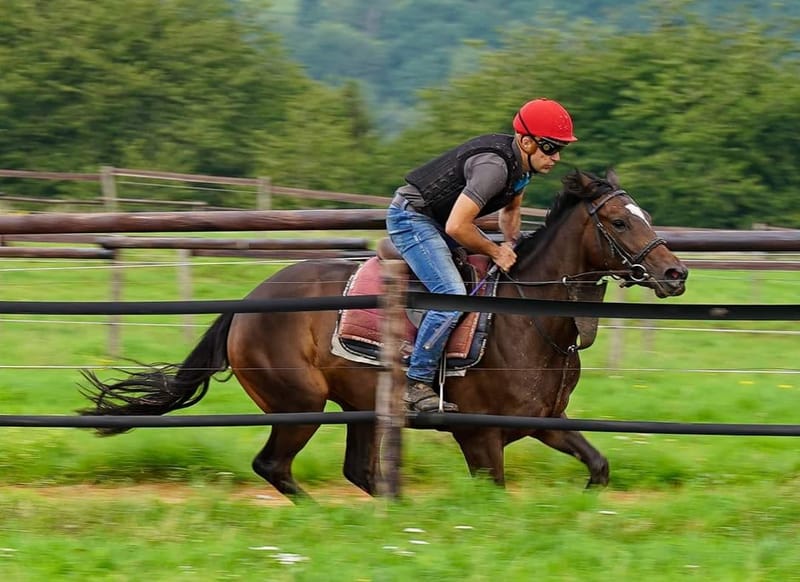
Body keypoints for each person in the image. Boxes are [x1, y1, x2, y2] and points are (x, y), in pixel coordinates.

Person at [386, 97, 578, 413]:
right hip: (414, 219)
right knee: (452, 296)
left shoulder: (522, 169)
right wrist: (493, 249)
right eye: (550, 147)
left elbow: (511, 209)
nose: (556, 156)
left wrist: (510, 244)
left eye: (561, 149)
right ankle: (415, 384)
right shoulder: (494, 168)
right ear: (527, 142)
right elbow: (457, 225)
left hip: (437, 221)